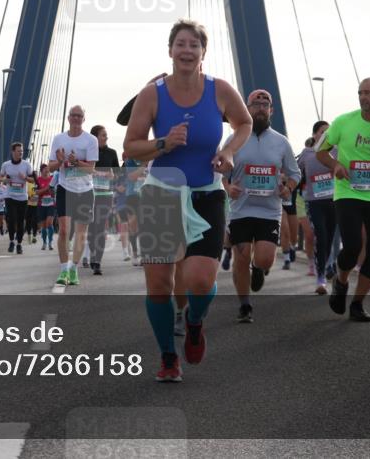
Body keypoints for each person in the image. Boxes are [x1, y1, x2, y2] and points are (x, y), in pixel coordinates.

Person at [124, 19, 251, 382]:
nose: (187, 51)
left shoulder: (220, 90)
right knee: (159, 286)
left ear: (203, 52)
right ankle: (168, 357)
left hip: (206, 195)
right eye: (180, 44)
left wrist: (228, 151)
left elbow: (243, 124)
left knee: (199, 280)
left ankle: (194, 321)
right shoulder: (152, 94)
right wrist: (163, 143)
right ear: (170, 50)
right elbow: (131, 146)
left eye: (194, 45)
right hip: (160, 196)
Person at [316, 77, 370, 322]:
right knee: (353, 246)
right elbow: (319, 150)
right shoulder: (343, 122)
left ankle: (357, 304)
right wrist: (335, 165)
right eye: (360, 93)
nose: (363, 97)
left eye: (368, 93)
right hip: (348, 193)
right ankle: (341, 281)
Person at [223, 89, 300, 322]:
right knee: (241, 257)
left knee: (265, 259)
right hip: (240, 209)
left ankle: (258, 268)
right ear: (247, 109)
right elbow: (220, 172)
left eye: (265, 105)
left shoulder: (281, 142)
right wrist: (228, 187)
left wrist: (288, 188)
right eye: (256, 105)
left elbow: (295, 174)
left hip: (269, 210)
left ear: (271, 110)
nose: (260, 108)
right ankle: (245, 305)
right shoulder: (234, 139)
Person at [48, 105, 99, 286]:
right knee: (63, 230)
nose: (76, 118)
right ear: (68, 118)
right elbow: (50, 168)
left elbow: (91, 169)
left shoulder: (91, 140)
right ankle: (63, 270)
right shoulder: (58, 139)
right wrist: (60, 161)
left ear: (84, 119)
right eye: (73, 115)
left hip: (85, 190)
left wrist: (76, 162)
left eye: (79, 116)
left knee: (81, 233)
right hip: (65, 188)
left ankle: (73, 268)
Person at [298, 121, 335, 294]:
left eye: (329, 132)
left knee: (330, 237)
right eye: (322, 132)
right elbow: (295, 172)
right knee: (321, 235)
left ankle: (327, 264)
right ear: (314, 135)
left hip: (334, 201)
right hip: (314, 202)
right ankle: (321, 278)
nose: (326, 135)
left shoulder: (337, 151)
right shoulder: (306, 153)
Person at [88, 125, 120, 275]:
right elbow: (82, 170)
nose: (106, 137)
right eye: (103, 135)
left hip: (105, 195)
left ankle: (97, 261)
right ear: (95, 137)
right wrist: (95, 173)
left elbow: (118, 174)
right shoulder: (88, 152)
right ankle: (92, 252)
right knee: (91, 228)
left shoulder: (112, 153)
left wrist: (113, 175)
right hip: (89, 195)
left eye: (106, 135)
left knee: (100, 227)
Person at [0, 142, 36, 254]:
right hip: (10, 196)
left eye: (22, 151)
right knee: (11, 219)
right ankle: (11, 241)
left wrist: (25, 178)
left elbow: (33, 180)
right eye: (18, 151)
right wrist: (5, 180)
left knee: (20, 222)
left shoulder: (26, 165)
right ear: (13, 152)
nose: (21, 153)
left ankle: (19, 244)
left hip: (22, 198)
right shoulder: (6, 165)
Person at [35, 164, 56, 250]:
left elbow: (55, 191)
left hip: (51, 204)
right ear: (41, 171)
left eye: (48, 168)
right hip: (41, 205)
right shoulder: (38, 180)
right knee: (44, 225)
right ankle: (44, 242)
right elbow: (37, 192)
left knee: (49, 223)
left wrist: (52, 191)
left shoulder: (52, 179)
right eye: (45, 169)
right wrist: (46, 188)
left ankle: (50, 242)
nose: (47, 170)